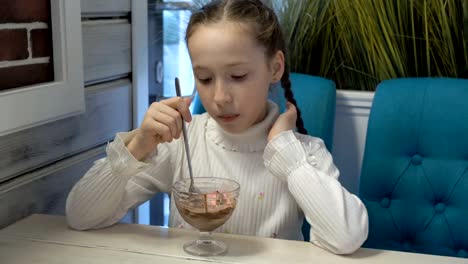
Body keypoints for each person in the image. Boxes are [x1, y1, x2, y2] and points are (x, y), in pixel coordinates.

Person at [66, 0, 368, 254]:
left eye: (237, 76)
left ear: (275, 68)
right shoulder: (180, 143)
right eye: (205, 79)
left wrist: (286, 154)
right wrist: (139, 146)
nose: (220, 98)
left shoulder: (302, 153)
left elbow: (348, 236)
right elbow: (80, 215)